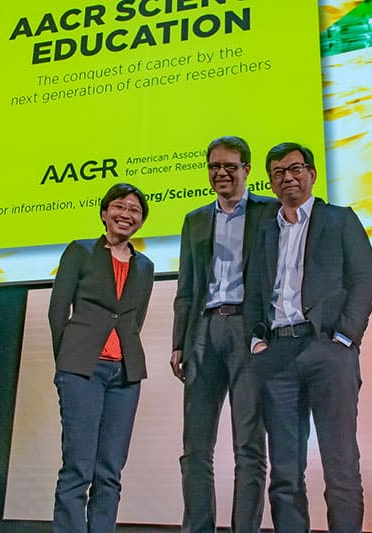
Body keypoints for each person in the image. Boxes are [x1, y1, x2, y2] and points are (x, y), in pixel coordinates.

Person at [243, 142, 372, 533]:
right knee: (284, 472)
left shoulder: (339, 219)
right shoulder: (265, 232)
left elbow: (365, 277)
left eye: (295, 169)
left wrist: (345, 337)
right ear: (270, 182)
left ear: (312, 174)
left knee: (340, 466)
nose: (287, 177)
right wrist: (257, 342)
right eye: (278, 172)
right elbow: (254, 293)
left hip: (327, 352)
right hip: (277, 356)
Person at [171, 136, 278, 532]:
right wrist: (179, 341)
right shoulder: (195, 219)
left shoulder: (270, 212)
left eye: (229, 166)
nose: (221, 173)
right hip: (203, 330)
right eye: (214, 166)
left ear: (247, 170)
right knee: (195, 447)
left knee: (249, 446)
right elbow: (186, 287)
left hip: (250, 332)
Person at [48, 183, 154, 533]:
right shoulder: (80, 251)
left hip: (125, 374)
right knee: (78, 467)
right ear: (105, 212)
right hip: (81, 369)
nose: (126, 214)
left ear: (141, 221)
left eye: (134, 210)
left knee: (109, 470)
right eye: (119, 207)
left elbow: (135, 320)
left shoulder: (145, 266)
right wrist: (68, 359)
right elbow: (58, 309)